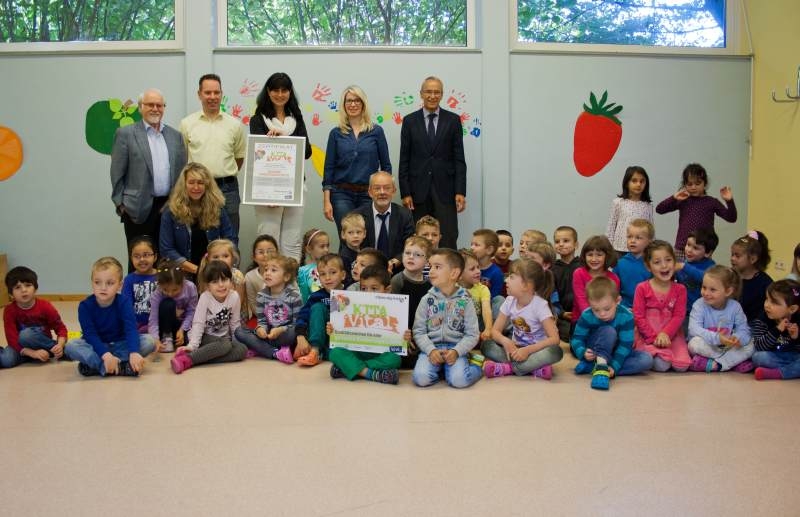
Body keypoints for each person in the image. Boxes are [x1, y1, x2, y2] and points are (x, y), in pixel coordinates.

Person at [110, 88, 186, 269]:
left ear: (164, 108)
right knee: (139, 259)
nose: (155, 109)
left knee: (166, 258)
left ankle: (165, 296)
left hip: (168, 207)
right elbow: (116, 173)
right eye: (150, 105)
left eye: (159, 105)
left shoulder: (176, 136)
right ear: (140, 107)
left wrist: (176, 201)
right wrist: (121, 205)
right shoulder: (126, 134)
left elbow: (181, 173)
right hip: (136, 209)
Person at [249, 73, 313, 260]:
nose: (280, 94)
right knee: (268, 241)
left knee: (292, 242)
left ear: (290, 92)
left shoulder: (296, 118)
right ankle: (268, 285)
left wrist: (284, 138)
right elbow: (258, 154)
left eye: (284, 90)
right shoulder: (258, 120)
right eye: (275, 90)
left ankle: (290, 284)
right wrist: (269, 192)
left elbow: (307, 151)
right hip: (269, 191)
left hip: (295, 187)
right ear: (268, 92)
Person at [399, 76, 467, 249]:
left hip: (445, 189)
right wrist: (405, 192)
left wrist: (460, 191)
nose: (432, 95)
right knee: (417, 237)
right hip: (417, 191)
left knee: (448, 235)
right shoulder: (409, 121)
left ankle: (448, 273)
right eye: (428, 91)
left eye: (436, 92)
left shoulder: (452, 120)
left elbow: (459, 159)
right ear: (421, 94)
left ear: (442, 95)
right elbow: (404, 159)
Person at [180, 74, 246, 239]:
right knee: (200, 238)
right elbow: (182, 158)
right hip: (197, 189)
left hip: (227, 189)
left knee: (230, 237)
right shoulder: (187, 124)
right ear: (199, 94)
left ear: (221, 94)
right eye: (208, 93)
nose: (212, 97)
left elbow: (239, 158)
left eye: (216, 93)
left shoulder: (235, 125)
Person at [65, 257, 155, 377]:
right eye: (97, 282)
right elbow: (90, 335)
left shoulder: (124, 302)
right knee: (71, 346)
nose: (103, 288)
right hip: (97, 346)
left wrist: (134, 352)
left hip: (121, 344)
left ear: (119, 285)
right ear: (92, 282)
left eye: (110, 283)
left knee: (149, 341)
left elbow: (131, 329)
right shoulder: (85, 306)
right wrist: (105, 354)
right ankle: (117, 366)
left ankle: (96, 366)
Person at [322, 85, 391, 235]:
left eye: (357, 100)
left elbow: (386, 166)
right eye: (349, 101)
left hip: (369, 195)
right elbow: (329, 169)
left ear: (363, 104)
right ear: (344, 105)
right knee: (348, 238)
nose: (353, 104)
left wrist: (383, 191)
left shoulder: (376, 131)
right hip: (341, 195)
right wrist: (327, 201)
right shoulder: (336, 133)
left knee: (367, 238)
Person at [412, 248, 482, 388]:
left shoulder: (465, 301)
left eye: (437, 267)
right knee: (421, 379)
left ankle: (476, 368)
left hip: (456, 349)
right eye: (430, 266)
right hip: (431, 348)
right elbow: (418, 331)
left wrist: (457, 351)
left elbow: (472, 334)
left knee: (459, 381)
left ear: (454, 273)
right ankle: (444, 370)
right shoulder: (426, 300)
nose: (431, 271)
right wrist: (430, 350)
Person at [483, 257, 563, 380]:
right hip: (515, 349)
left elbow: (554, 339)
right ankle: (535, 369)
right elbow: (495, 331)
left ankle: (508, 368)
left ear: (526, 285)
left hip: (535, 351)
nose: (506, 280)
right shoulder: (509, 301)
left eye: (511, 277)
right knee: (487, 346)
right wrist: (506, 342)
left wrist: (528, 350)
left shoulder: (540, 305)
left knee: (556, 352)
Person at [571, 277, 653, 390]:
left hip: (615, 353)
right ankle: (600, 367)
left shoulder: (627, 316)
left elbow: (625, 346)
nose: (602, 314)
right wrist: (582, 352)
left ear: (617, 301)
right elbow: (576, 339)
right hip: (595, 351)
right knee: (608, 330)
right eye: (596, 310)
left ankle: (596, 368)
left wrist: (614, 366)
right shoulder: (586, 315)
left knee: (646, 360)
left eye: (607, 309)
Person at [328, 265, 405, 384]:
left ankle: (348, 368)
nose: (368, 293)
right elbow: (340, 334)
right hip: (356, 351)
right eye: (364, 288)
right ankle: (371, 374)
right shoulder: (352, 304)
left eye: (374, 288)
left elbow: (399, 341)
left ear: (388, 290)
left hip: (380, 353)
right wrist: (333, 330)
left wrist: (405, 338)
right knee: (335, 352)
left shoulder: (396, 307)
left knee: (395, 358)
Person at [159, 162, 237, 277]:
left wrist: (218, 267)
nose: (196, 187)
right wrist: (199, 270)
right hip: (183, 276)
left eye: (201, 183)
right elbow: (166, 249)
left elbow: (231, 240)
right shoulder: (170, 212)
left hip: (214, 273)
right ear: (184, 184)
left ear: (207, 185)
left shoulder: (218, 208)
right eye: (191, 182)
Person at [170, 260, 247, 374]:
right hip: (202, 337)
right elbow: (198, 324)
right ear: (208, 286)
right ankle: (187, 360)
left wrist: (236, 343)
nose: (221, 285)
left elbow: (234, 323)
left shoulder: (234, 296)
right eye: (215, 281)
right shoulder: (205, 297)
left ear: (231, 281)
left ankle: (200, 358)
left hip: (223, 339)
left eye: (225, 279)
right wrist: (192, 345)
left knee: (242, 350)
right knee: (224, 345)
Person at [655, 163, 737, 261]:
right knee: (680, 275)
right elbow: (659, 209)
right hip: (682, 248)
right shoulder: (683, 200)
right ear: (684, 185)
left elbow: (731, 218)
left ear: (705, 184)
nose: (693, 187)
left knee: (701, 275)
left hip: (702, 250)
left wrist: (729, 201)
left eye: (698, 183)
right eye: (689, 184)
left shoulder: (711, 202)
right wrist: (674, 197)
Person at [632, 241, 691, 372]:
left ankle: (669, 353)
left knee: (682, 366)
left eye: (668, 260)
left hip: (672, 336)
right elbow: (638, 316)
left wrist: (665, 334)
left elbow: (678, 316)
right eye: (657, 262)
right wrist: (654, 338)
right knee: (662, 365)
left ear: (674, 262)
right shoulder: (642, 288)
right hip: (648, 336)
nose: (664, 266)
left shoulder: (680, 289)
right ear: (648, 266)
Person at [234, 255, 302, 363]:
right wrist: (261, 329)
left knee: (293, 332)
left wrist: (280, 329)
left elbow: (297, 323)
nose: (267, 273)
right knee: (239, 331)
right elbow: (262, 321)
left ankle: (261, 348)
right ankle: (275, 352)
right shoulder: (261, 295)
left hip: (284, 335)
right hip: (268, 336)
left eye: (273, 270)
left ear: (286, 277)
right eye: (266, 270)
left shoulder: (294, 296)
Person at [687, 265, 754, 373]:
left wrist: (737, 338)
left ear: (728, 291)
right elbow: (693, 329)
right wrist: (717, 338)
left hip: (727, 346)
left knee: (752, 344)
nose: (706, 293)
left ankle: (715, 364)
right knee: (694, 343)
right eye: (704, 287)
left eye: (712, 290)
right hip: (708, 346)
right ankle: (732, 362)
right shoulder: (699, 305)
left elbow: (744, 329)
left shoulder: (735, 307)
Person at [1, 266, 68, 368]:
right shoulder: (9, 310)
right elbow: (12, 339)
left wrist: (60, 345)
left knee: (26, 335)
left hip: (42, 345)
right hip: (20, 348)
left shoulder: (45, 306)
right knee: (7, 360)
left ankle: (55, 350)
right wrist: (32, 353)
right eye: (17, 287)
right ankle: (34, 356)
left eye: (28, 285)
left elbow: (61, 329)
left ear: (35, 288)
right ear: (11, 294)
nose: (24, 290)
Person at [353, 171, 415, 272]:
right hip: (366, 271)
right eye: (377, 188)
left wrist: (393, 263)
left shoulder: (405, 215)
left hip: (396, 270)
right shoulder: (357, 216)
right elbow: (350, 248)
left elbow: (410, 246)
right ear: (370, 192)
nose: (382, 192)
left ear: (394, 191)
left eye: (387, 188)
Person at [294, 253, 347, 367]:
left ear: (343, 275)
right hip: (319, 336)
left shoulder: (350, 294)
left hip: (340, 340)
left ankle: (325, 354)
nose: (327, 278)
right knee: (317, 307)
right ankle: (315, 351)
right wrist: (300, 336)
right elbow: (302, 316)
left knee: (337, 354)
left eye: (333, 272)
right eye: (323, 274)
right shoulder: (316, 296)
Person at [390, 236, 432, 368]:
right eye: (407, 253)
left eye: (418, 255)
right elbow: (392, 314)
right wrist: (403, 336)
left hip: (422, 332)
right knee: (398, 360)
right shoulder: (397, 281)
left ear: (427, 261)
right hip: (402, 332)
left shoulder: (431, 284)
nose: (411, 257)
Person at [751, 279, 800, 380]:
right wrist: (777, 330)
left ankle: (777, 373)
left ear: (792, 309)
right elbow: (759, 346)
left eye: (774, 302)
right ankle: (791, 371)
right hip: (774, 356)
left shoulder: (797, 320)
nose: (767, 305)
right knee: (757, 357)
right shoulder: (762, 318)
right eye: (767, 299)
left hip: (794, 356)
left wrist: (796, 337)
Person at [148, 260, 198, 354]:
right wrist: (155, 339)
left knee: (191, 342)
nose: (170, 293)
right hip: (165, 327)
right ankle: (167, 337)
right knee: (168, 303)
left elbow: (192, 312)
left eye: (175, 290)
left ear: (182, 282)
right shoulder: (157, 294)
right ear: (159, 285)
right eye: (165, 290)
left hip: (183, 326)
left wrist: (182, 329)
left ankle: (179, 337)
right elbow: (153, 320)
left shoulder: (190, 287)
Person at [605, 166, 654, 255]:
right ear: (627, 183)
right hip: (619, 249)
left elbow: (650, 229)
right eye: (634, 181)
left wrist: (651, 248)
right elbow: (611, 227)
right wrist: (609, 248)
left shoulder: (648, 205)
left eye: (642, 181)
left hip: (641, 250)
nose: (638, 184)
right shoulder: (618, 202)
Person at [571, 235, 620, 324]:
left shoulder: (614, 278)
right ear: (584, 256)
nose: (594, 259)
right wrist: (595, 320)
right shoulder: (579, 273)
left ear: (607, 256)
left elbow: (613, 303)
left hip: (606, 319)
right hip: (582, 321)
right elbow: (581, 301)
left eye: (599, 255)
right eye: (590, 255)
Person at [675, 228, 718, 324]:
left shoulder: (711, 266)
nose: (689, 250)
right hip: (684, 312)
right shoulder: (684, 264)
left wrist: (684, 267)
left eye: (695, 248)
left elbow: (705, 277)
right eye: (688, 245)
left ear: (708, 253)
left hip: (704, 314)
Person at [730, 230, 773, 323]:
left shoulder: (765, 283)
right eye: (732, 254)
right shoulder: (729, 276)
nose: (732, 258)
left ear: (753, 259)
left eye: (737, 256)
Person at [122, 236, 158, 333]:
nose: (141, 259)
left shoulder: (161, 276)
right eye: (136, 256)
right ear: (131, 258)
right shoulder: (129, 279)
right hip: (137, 324)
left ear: (155, 257)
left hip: (158, 323)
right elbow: (126, 305)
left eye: (146, 255)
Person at [614, 219, 654, 308]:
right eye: (629, 237)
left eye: (638, 238)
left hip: (647, 309)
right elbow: (613, 290)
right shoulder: (620, 264)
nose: (632, 241)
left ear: (649, 241)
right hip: (624, 309)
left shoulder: (653, 264)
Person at [552, 225, 581, 341]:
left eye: (566, 241)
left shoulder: (583, 266)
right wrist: (561, 313)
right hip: (562, 315)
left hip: (582, 312)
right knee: (568, 333)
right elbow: (551, 296)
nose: (561, 244)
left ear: (576, 245)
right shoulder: (552, 269)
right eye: (557, 241)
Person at [243, 235, 279, 321]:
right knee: (240, 333)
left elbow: (295, 297)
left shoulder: (285, 273)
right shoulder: (250, 276)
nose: (266, 255)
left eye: (270, 251)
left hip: (285, 316)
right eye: (261, 252)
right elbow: (253, 304)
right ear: (254, 257)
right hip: (263, 319)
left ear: (277, 254)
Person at [297, 228, 331, 303]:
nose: (326, 250)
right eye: (322, 246)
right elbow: (304, 297)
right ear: (309, 249)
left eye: (327, 246)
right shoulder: (303, 272)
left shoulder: (332, 266)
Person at [338, 212, 366, 287]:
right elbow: (345, 281)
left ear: (364, 234)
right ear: (343, 235)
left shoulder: (366, 252)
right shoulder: (343, 257)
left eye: (359, 232)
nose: (355, 236)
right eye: (350, 232)